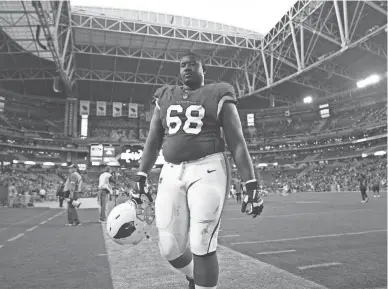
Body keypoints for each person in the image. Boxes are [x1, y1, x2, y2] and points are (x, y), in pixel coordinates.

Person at [131, 52, 264, 289]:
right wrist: (141, 175)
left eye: (193, 64)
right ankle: (195, 275)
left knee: (203, 242)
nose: (187, 68)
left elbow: (236, 140)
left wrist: (250, 182)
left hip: (208, 168)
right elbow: (153, 140)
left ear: (204, 70)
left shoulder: (218, 92)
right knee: (170, 248)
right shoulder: (165, 95)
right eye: (182, 65)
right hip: (170, 171)